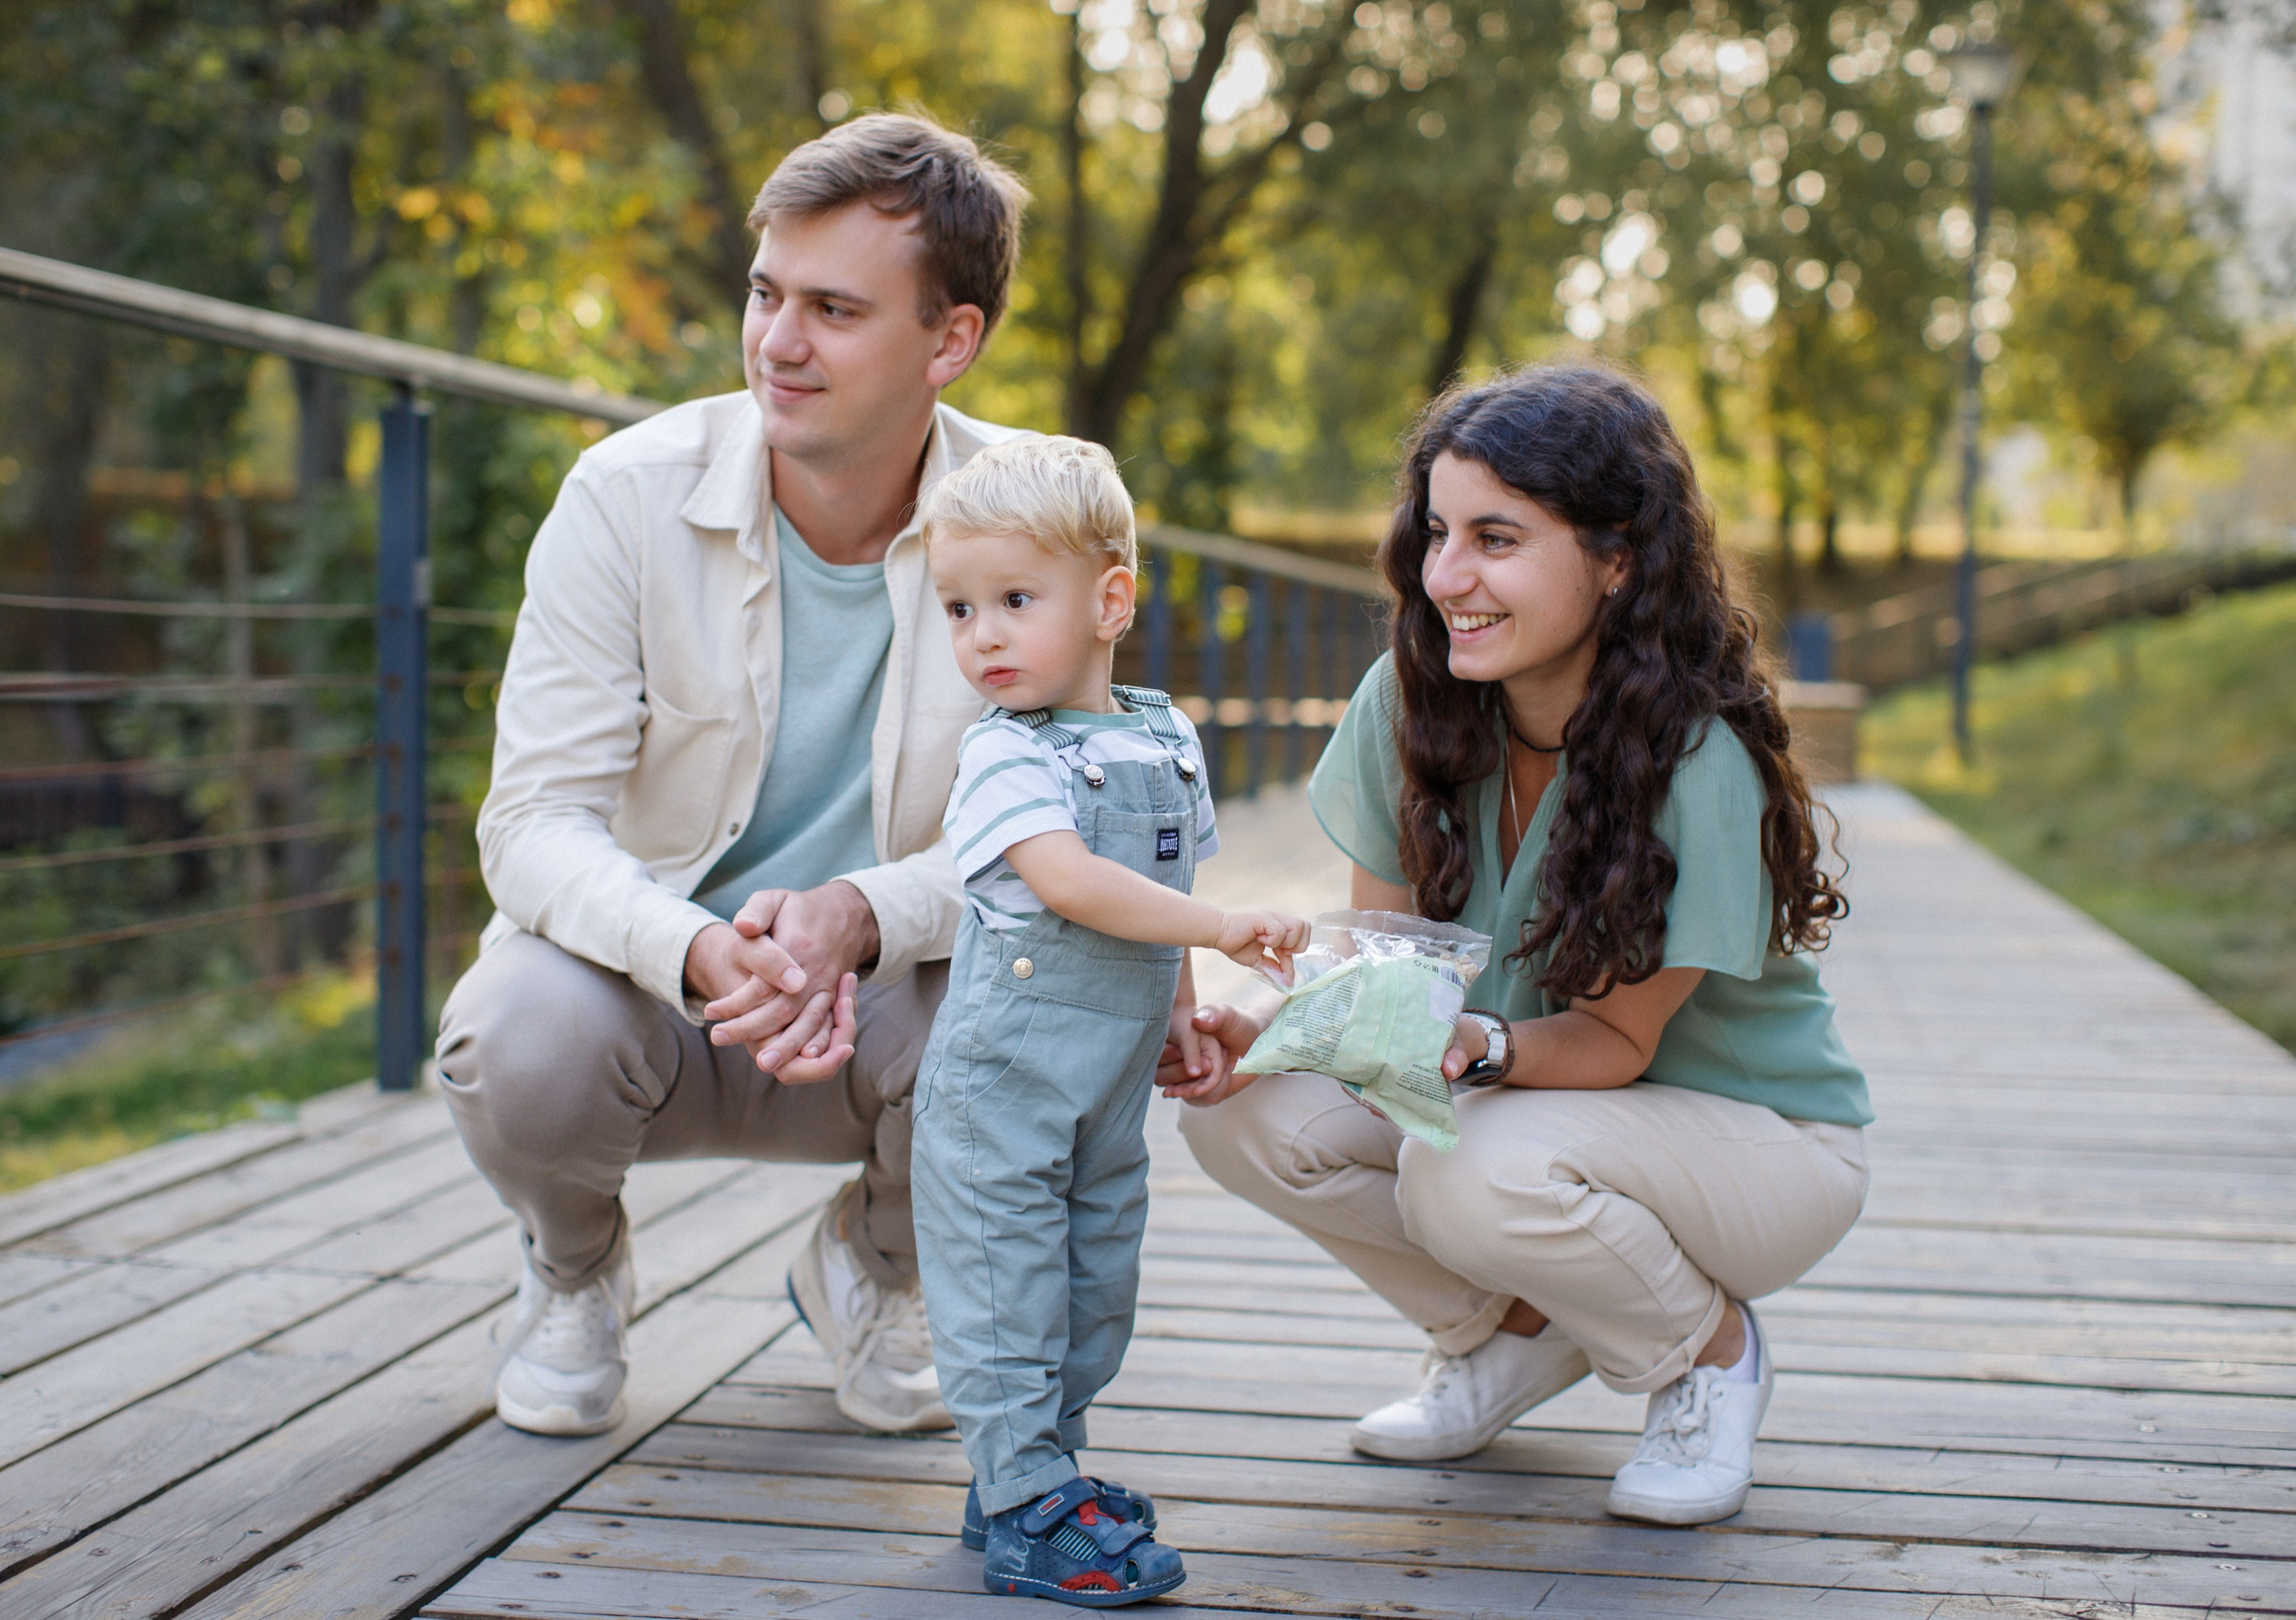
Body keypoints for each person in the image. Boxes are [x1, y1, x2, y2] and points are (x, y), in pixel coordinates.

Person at [1165, 363, 1873, 1528]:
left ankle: (1707, 1354)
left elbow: (1611, 1045)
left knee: (1469, 1165)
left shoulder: (1698, 760)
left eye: (1496, 539)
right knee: (1242, 1113)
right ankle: (1514, 1334)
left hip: (1757, 1147)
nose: (1447, 577)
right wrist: (1269, 1028)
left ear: (1617, 558)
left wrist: (1475, 1045)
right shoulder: (1407, 701)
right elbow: (1385, 969)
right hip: (1527, 1108)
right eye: (1438, 533)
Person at [435, 113, 1032, 1439]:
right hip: (650, 998)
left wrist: (864, 913)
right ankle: (574, 1271)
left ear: (950, 340)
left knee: (1054, 1000)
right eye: (767, 293)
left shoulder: (1037, 515)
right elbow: (531, 822)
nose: (777, 342)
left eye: (833, 309)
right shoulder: (623, 496)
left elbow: (1064, 827)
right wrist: (697, 947)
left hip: (889, 1010)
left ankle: (877, 1262)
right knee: (509, 1034)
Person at [909, 436, 1306, 1604]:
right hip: (1002, 1087)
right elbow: (1073, 883)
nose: (982, 635)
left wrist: (1181, 1009)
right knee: (1006, 1284)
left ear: (1109, 602)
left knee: (1094, 1280)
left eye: (1014, 601)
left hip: (1108, 1089)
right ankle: (1030, 1498)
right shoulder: (1002, 755)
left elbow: (1161, 884)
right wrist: (1223, 927)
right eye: (958, 608)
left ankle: (1029, 1476)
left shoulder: (1162, 738)